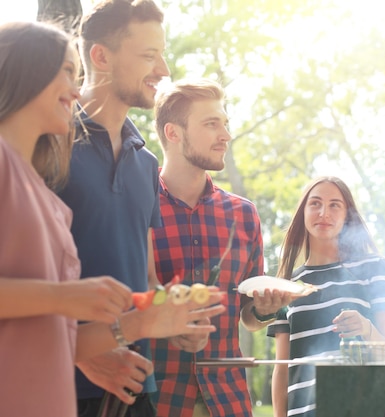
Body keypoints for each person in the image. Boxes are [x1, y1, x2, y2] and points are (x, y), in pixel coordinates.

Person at [0, 20, 224, 417]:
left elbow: (57, 331)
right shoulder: (20, 166)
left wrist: (157, 319)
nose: (75, 87)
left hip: (124, 385)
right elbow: (51, 309)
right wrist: (66, 301)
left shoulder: (50, 191)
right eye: (66, 72)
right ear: (26, 73)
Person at [54, 0, 174, 415]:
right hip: (60, 386)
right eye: (148, 55)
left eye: (162, 54)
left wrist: (180, 317)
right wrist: (81, 353)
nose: (163, 69)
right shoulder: (48, 142)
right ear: (100, 56)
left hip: (136, 387)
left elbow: (147, 279)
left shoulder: (147, 164)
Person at [150, 78, 294, 417]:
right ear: (173, 133)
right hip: (157, 401)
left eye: (225, 124)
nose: (225, 135)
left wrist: (264, 309)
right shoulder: (136, 206)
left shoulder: (243, 215)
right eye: (211, 124)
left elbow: (248, 316)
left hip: (227, 402)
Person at [267, 176, 385, 417]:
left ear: (347, 215)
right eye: (315, 203)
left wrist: (366, 328)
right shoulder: (286, 287)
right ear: (303, 213)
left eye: (335, 205)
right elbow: (282, 369)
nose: (324, 212)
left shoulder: (374, 268)